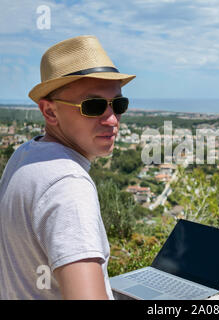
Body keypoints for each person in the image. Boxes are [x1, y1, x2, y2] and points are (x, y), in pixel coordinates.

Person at [0, 35, 136, 299]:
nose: (112, 120)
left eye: (119, 105)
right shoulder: (68, 186)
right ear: (50, 112)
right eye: (93, 106)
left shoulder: (25, 156)